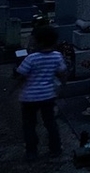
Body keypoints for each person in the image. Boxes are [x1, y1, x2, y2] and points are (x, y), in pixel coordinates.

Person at [14, 25, 67, 161]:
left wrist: (16, 87)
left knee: (29, 125)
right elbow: (62, 73)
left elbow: (21, 74)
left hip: (29, 97)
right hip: (48, 95)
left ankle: (32, 151)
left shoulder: (31, 58)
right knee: (50, 123)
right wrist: (62, 84)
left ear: (39, 42)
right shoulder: (57, 56)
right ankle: (55, 148)